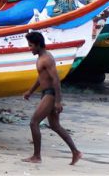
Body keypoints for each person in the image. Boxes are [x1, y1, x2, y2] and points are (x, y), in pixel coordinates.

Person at [22, 31, 82, 165]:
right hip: (46, 93)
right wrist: (30, 91)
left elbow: (56, 80)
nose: (29, 48)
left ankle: (37, 156)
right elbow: (41, 77)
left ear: (38, 45)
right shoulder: (40, 57)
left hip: (50, 94)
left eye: (31, 45)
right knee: (55, 126)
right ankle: (76, 152)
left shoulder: (47, 58)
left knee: (34, 122)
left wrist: (58, 101)